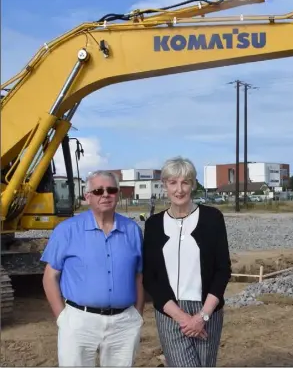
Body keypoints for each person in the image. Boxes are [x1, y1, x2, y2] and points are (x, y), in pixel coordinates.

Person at [41, 170, 145, 367]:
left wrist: (137, 315)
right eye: (98, 191)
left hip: (124, 323)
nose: (105, 194)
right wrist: (62, 318)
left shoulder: (132, 231)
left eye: (111, 190)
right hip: (79, 322)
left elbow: (138, 276)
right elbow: (50, 277)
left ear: (118, 194)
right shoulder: (67, 230)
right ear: (88, 197)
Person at [142, 156, 232, 367]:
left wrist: (203, 316)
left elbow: (222, 270)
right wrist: (182, 317)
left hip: (207, 310)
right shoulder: (154, 225)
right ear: (164, 185)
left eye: (185, 182)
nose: (179, 189)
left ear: (193, 184)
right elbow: (150, 276)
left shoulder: (212, 218)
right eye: (173, 182)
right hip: (170, 311)